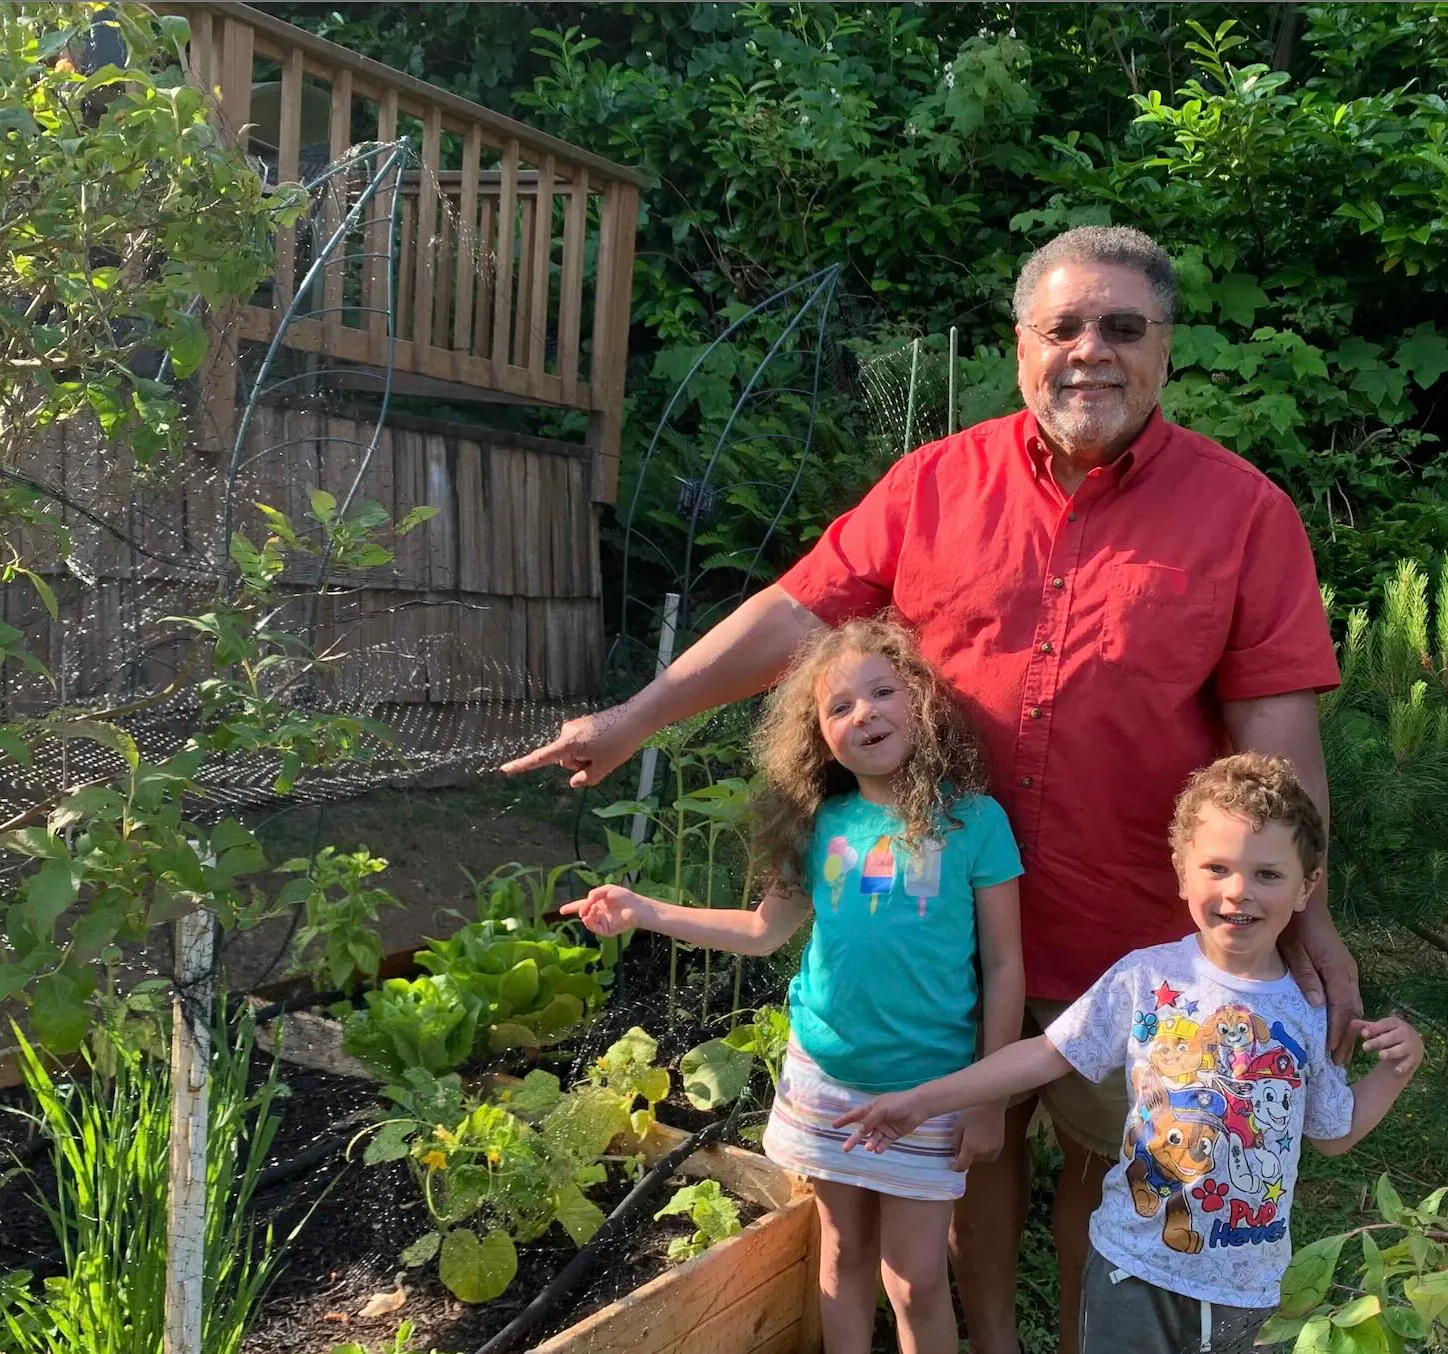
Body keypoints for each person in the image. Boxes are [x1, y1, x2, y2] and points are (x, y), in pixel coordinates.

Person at [507, 224, 1361, 1354]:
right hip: (945, 935)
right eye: (1063, 326)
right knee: (971, 1153)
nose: (1090, 351)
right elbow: (795, 612)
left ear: (1166, 346)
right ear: (1021, 344)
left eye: (1123, 327)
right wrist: (636, 717)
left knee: (1113, 1168)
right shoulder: (935, 485)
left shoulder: (1244, 514)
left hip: (1130, 935)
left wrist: (1309, 916)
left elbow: (1275, 737)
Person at [835, 754, 1423, 1354]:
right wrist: (922, 1101)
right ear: (1182, 873)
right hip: (1131, 1273)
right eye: (1216, 868)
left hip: (1250, 1294)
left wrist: (1396, 1070)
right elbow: (1043, 1055)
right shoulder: (1145, 978)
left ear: (1307, 886)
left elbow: (1332, 1133)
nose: (1238, 891)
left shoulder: (1309, 1007)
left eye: (1267, 874)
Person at [559, 617, 1025, 1354]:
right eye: (839, 706)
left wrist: (988, 1099)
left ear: (922, 700)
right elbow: (761, 930)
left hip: (931, 1092)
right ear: (818, 736)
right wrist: (645, 910)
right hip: (825, 1084)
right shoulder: (819, 824)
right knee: (842, 1253)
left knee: (915, 1281)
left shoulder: (976, 821)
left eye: (882, 691)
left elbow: (1003, 966)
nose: (864, 713)